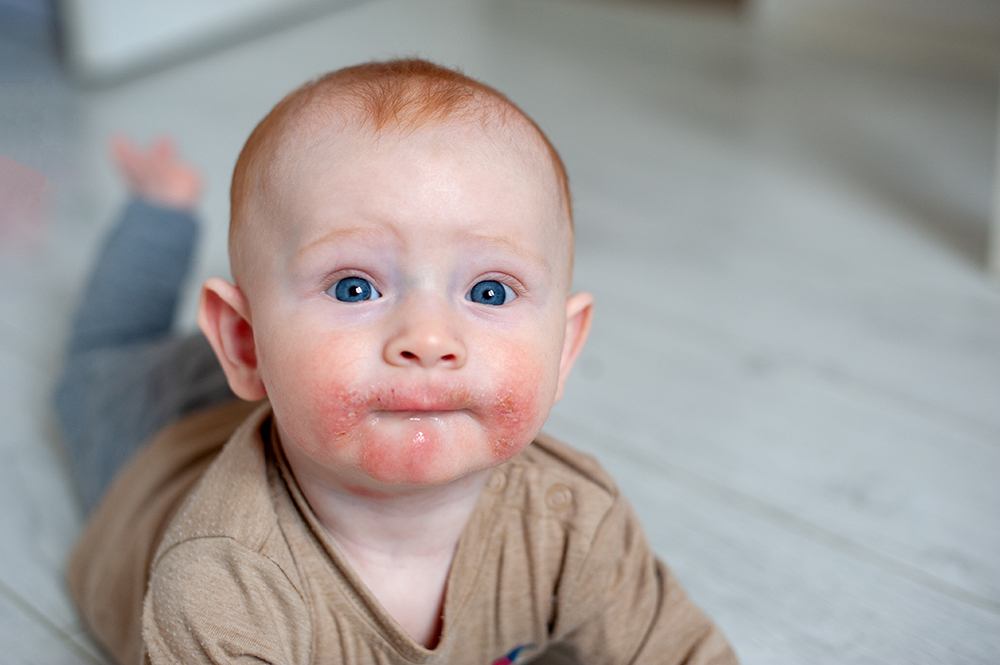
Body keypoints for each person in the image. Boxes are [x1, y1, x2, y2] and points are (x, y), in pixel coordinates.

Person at [57, 59, 738, 665]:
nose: (428, 338)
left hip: (302, 393)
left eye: (489, 291)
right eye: (355, 286)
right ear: (243, 341)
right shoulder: (220, 584)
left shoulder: (571, 524)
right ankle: (160, 210)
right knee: (105, 355)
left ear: (563, 348)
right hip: (154, 446)